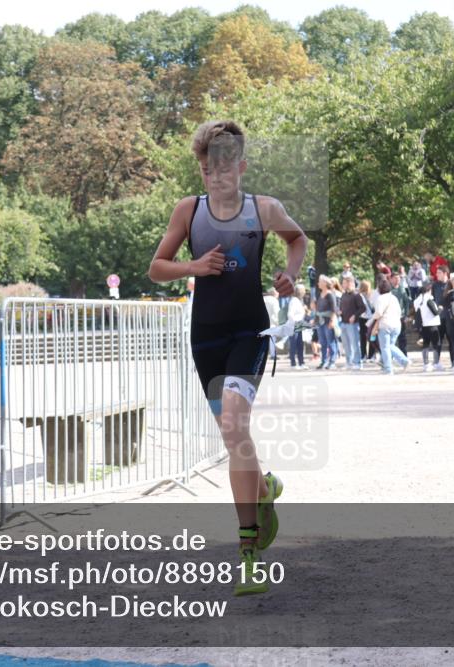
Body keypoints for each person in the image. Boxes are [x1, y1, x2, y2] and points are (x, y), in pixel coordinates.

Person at [147, 119, 307, 596]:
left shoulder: (265, 209)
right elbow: (156, 268)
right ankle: (264, 489)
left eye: (220, 168)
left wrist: (289, 275)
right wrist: (192, 268)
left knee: (236, 425)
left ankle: (247, 553)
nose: (212, 178)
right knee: (232, 436)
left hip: (251, 330)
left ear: (239, 166)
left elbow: (296, 240)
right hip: (206, 337)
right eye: (204, 169)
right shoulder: (187, 210)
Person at [369, 279, 410, 374]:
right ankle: (404, 361)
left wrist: (372, 319)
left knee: (385, 347)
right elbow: (399, 311)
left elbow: (378, 313)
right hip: (396, 325)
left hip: (385, 325)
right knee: (391, 346)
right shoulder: (394, 298)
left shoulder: (380, 298)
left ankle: (388, 369)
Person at [413, 283, 442, 372]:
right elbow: (435, 312)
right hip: (432, 325)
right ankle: (436, 363)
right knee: (436, 344)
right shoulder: (429, 300)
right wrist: (440, 308)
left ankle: (426, 364)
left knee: (425, 345)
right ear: (429, 291)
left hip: (424, 325)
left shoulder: (418, 300)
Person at [339, 276, 365, 370]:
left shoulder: (356, 295)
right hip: (343, 323)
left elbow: (363, 308)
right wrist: (340, 311)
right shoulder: (343, 295)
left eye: (345, 283)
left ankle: (358, 363)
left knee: (355, 344)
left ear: (350, 283)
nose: (343, 284)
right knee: (346, 345)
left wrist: (355, 315)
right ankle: (349, 362)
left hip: (353, 324)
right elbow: (342, 306)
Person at [313, 275, 339, 370]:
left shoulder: (330, 294)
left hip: (328, 320)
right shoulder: (320, 294)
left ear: (324, 283)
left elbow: (334, 309)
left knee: (330, 341)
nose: (318, 283)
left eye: (320, 281)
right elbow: (318, 309)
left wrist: (332, 321)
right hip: (320, 321)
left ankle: (332, 361)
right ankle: (324, 361)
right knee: (323, 342)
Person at [287, 285, 306, 369]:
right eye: (304, 290)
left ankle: (301, 363)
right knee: (294, 344)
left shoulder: (299, 300)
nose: (305, 292)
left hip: (299, 324)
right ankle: (293, 364)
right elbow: (290, 314)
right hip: (294, 324)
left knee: (299, 344)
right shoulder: (294, 301)